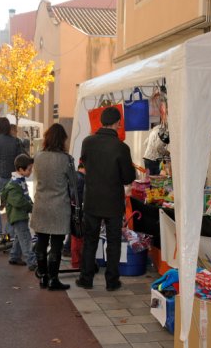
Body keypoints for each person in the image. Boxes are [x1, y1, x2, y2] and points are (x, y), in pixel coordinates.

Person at [76, 107, 136, 291]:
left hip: (92, 198)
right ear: (118, 123)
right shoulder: (121, 147)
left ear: (101, 122)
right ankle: (112, 281)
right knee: (113, 241)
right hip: (112, 202)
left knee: (90, 240)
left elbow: (83, 164)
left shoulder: (88, 142)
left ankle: (86, 278)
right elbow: (127, 178)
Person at [30, 123, 76, 291]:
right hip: (59, 206)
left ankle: (42, 276)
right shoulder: (66, 159)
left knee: (41, 240)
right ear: (62, 139)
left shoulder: (38, 157)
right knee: (56, 243)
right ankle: (53, 279)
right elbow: (73, 183)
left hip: (41, 203)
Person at [0, 154, 36, 271]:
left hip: (19, 215)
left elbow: (25, 196)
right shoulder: (15, 184)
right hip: (18, 216)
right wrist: (31, 207)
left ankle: (14, 256)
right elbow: (19, 201)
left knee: (18, 237)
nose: (31, 171)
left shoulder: (19, 181)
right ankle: (32, 261)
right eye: (29, 169)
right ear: (21, 170)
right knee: (25, 238)